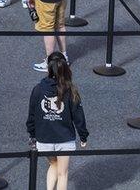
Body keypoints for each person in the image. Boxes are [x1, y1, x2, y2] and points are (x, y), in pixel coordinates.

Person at [27, 51, 89, 190]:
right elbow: (78, 116)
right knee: (63, 173)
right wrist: (83, 136)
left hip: (44, 138)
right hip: (64, 138)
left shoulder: (38, 89)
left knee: (53, 165)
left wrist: (32, 134)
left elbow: (32, 115)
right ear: (65, 68)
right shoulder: (70, 90)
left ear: (48, 68)